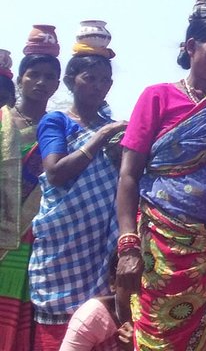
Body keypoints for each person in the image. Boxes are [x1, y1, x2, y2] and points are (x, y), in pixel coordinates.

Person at [115, 0, 206, 350]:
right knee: (154, 336)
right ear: (191, 47)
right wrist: (127, 246)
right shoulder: (157, 97)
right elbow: (128, 175)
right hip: (160, 247)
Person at [29, 23, 127, 350]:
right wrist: (99, 139)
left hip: (101, 245)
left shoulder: (113, 129)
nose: (98, 86)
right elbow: (56, 173)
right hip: (62, 247)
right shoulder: (57, 122)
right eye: (89, 78)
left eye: (104, 80)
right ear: (71, 81)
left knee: (97, 324)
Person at [0, 28, 61, 350]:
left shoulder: (62, 129)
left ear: (57, 84)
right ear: (20, 78)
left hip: (34, 242)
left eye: (49, 77)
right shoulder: (2, 121)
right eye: (33, 74)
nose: (41, 82)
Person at [58, 254, 133, 351]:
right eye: (130, 282)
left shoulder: (155, 313)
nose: (138, 292)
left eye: (144, 286)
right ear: (113, 284)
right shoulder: (91, 317)